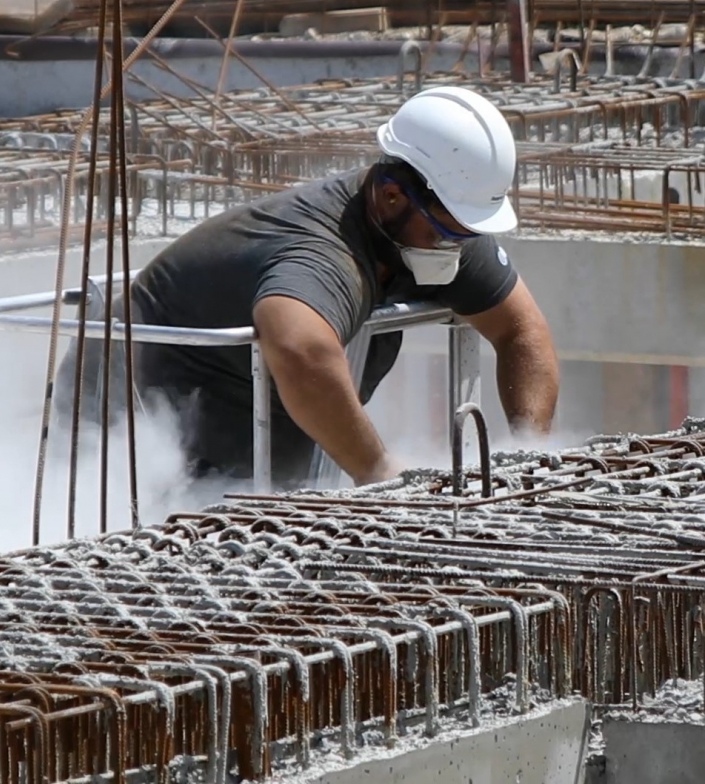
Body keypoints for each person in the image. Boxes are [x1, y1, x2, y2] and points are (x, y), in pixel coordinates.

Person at [56, 86, 559, 490]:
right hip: (127, 442)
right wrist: (380, 471)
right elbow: (300, 350)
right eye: (448, 233)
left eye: (469, 234)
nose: (457, 247)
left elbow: (522, 332)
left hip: (244, 458)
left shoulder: (430, 227)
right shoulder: (323, 248)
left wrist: (527, 454)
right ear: (390, 197)